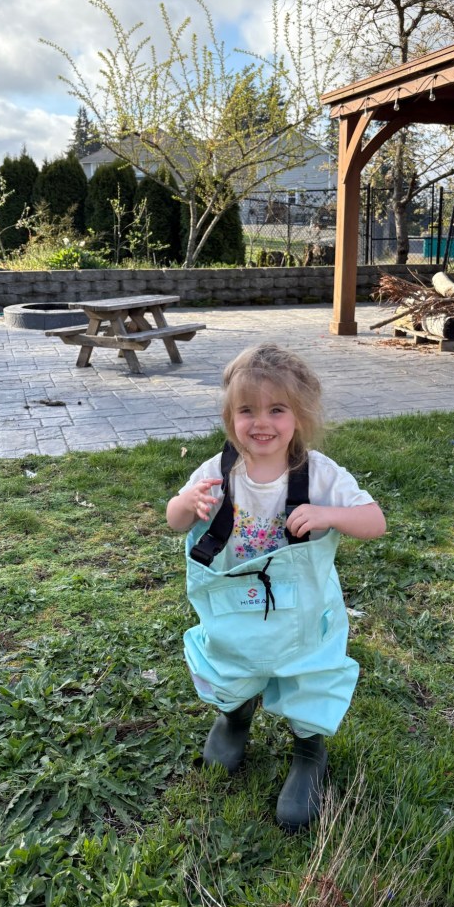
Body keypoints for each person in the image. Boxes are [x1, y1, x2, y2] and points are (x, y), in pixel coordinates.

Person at [166, 342, 386, 831]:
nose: (260, 423)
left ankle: (309, 748)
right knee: (231, 661)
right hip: (235, 606)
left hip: (303, 612)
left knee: (309, 673)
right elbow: (174, 520)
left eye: (276, 410)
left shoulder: (320, 473)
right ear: (230, 416)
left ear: (299, 416)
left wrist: (329, 515)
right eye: (247, 410)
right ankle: (235, 715)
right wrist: (188, 504)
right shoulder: (217, 471)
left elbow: (375, 522)